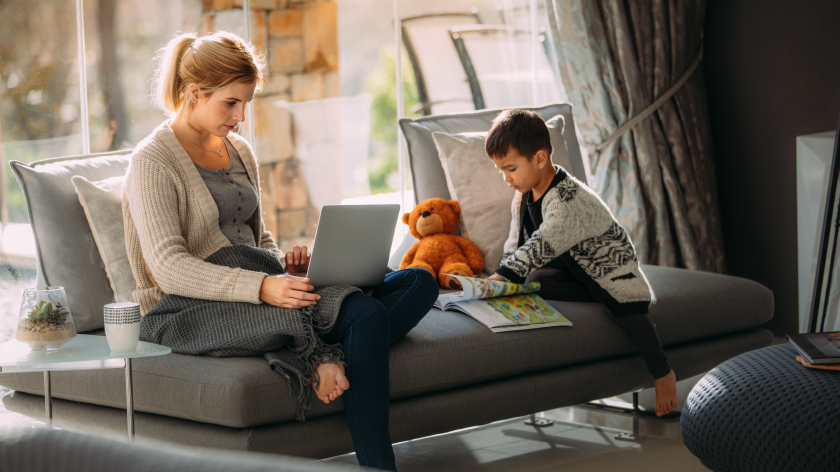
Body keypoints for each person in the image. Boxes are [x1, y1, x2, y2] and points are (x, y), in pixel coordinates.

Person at [122, 31, 438, 471]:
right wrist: (263, 287)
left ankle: (328, 353)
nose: (241, 116)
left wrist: (288, 262)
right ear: (194, 93)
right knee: (367, 315)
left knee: (420, 281)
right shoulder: (153, 160)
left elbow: (259, 239)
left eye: (246, 103)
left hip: (260, 279)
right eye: (231, 103)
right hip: (192, 305)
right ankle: (375, 461)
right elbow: (169, 268)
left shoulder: (238, 151)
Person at [485, 109, 678, 417]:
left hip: (608, 268)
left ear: (539, 158)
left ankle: (662, 371)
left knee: (626, 307)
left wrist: (504, 276)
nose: (506, 178)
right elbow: (517, 242)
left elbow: (544, 241)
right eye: (501, 171)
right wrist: (502, 275)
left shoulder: (567, 198)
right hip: (572, 265)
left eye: (510, 168)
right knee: (538, 281)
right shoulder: (522, 196)